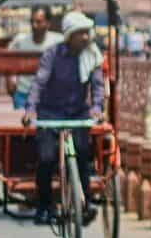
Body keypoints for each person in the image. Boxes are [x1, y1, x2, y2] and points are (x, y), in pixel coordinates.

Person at [22, 11, 104, 226]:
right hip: (50, 113)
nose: (86, 38)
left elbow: (97, 87)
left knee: (83, 155)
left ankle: (85, 203)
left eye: (87, 33)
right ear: (69, 36)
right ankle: (44, 206)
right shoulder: (52, 55)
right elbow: (39, 83)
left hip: (77, 113)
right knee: (47, 158)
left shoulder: (92, 54)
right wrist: (30, 109)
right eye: (81, 34)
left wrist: (97, 108)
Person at [9, 6, 63, 109]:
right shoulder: (20, 40)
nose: (34, 25)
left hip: (49, 95)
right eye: (32, 21)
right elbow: (8, 60)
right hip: (24, 94)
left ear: (48, 23)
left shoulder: (59, 41)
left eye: (38, 22)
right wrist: (11, 78)